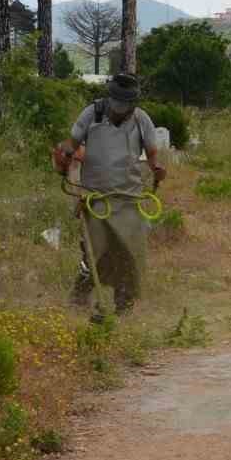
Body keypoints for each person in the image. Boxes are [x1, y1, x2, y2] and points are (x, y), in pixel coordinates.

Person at [51, 73, 166, 314]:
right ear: (109, 98)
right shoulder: (91, 114)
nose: (119, 109)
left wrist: (157, 168)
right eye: (116, 103)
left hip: (128, 198)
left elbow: (152, 155)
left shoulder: (141, 119)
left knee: (128, 252)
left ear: (132, 103)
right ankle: (79, 299)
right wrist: (65, 155)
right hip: (96, 197)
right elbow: (71, 144)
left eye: (124, 104)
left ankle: (124, 304)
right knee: (95, 251)